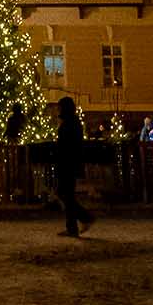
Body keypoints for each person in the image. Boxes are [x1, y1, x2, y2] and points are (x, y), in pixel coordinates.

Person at [55, 96, 94, 237]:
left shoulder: (69, 124)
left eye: (59, 107)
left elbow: (68, 145)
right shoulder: (72, 122)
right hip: (69, 162)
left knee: (65, 193)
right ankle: (74, 226)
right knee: (66, 194)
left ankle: (83, 218)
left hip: (67, 163)